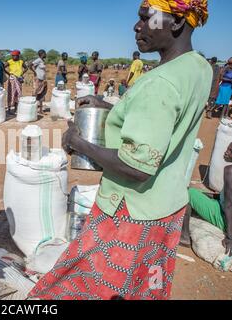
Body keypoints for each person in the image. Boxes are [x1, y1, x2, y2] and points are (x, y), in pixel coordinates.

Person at [29, 0, 211, 300]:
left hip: (131, 213)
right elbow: (166, 117)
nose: (136, 25)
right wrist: (113, 106)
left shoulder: (160, 82)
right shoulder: (199, 67)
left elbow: (136, 167)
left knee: (92, 286)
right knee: (143, 285)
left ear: (177, 22)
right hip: (167, 206)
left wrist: (79, 143)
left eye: (146, 17)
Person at [180, 143, 232, 256]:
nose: (226, 152)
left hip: (224, 218)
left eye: (230, 150)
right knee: (200, 195)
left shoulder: (230, 171)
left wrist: (229, 237)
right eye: (227, 148)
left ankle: (184, 237)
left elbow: (228, 206)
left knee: (188, 193)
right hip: (223, 206)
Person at [5, 50, 28, 115]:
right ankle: (9, 109)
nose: (13, 57)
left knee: (17, 94)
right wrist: (9, 74)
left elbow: (26, 68)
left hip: (19, 79)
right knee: (11, 93)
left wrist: (22, 73)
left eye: (15, 56)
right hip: (12, 80)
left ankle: (16, 108)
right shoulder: (9, 61)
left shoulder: (21, 62)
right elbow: (3, 67)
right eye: (12, 56)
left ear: (18, 56)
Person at [31, 50, 48, 114]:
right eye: (44, 53)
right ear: (42, 54)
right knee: (35, 93)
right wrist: (35, 72)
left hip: (43, 79)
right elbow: (30, 65)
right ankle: (33, 109)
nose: (45, 54)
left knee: (42, 94)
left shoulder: (42, 61)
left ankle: (40, 110)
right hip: (38, 79)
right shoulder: (38, 60)